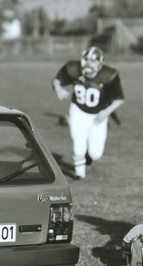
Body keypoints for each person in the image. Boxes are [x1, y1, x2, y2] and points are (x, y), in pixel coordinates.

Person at [52, 46, 125, 179]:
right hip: (78, 111)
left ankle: (87, 157)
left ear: (100, 64)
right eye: (86, 61)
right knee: (78, 144)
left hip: (98, 115)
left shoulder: (109, 75)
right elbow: (56, 80)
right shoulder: (73, 68)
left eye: (93, 62)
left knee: (96, 153)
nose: (89, 65)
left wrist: (106, 112)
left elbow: (119, 99)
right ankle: (80, 175)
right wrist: (58, 88)